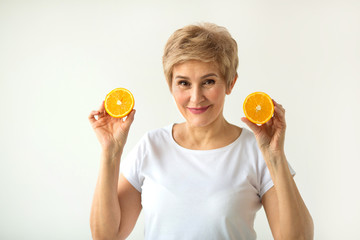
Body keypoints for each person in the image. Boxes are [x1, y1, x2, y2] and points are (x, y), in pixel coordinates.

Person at [89, 23, 314, 240]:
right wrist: (110, 153)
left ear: (230, 83)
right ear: (171, 86)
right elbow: (106, 235)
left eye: (208, 81)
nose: (196, 98)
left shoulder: (255, 150)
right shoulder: (151, 146)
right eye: (184, 83)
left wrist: (275, 157)